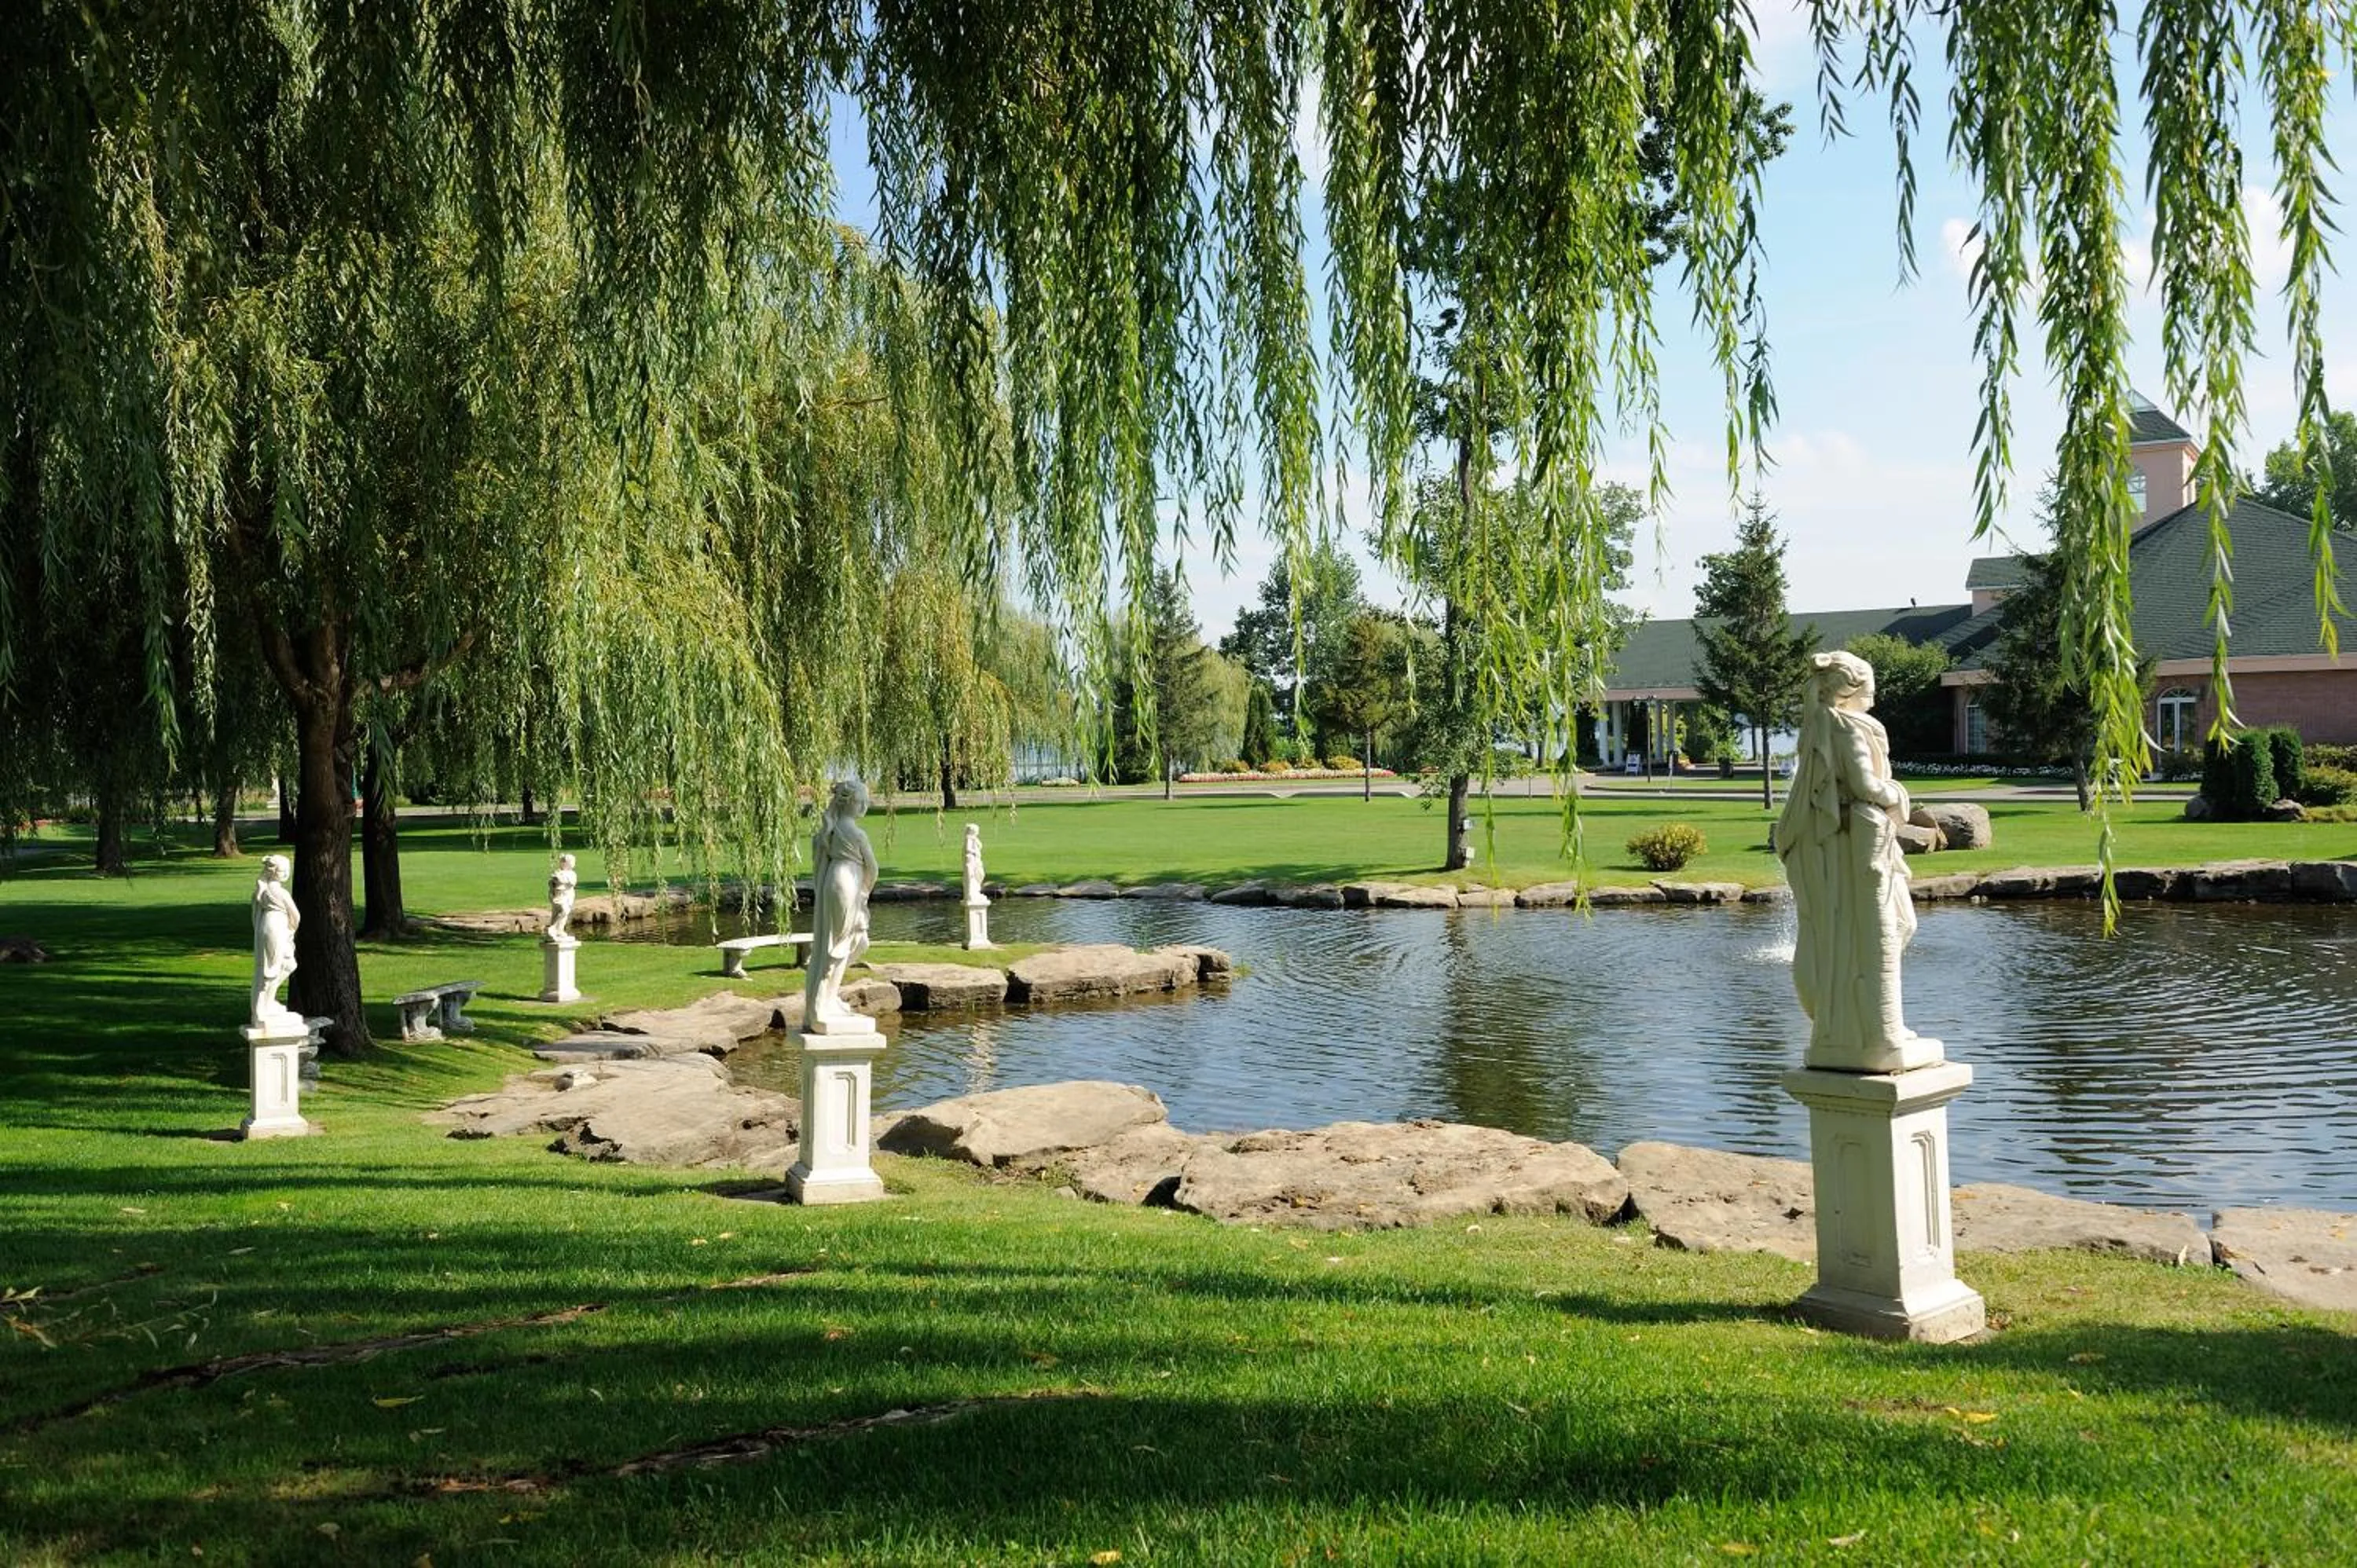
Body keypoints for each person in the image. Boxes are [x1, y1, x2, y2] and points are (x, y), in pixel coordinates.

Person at [1772, 650, 1923, 1068]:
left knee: (1845, 929)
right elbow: (1864, 784)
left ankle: (1852, 1021)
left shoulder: (1823, 724)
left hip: (1839, 841)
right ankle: (1868, 1025)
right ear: (1852, 688)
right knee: (1887, 925)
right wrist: (1900, 796)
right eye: (1871, 685)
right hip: (1852, 843)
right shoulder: (1847, 727)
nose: (1875, 694)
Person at [802, 779, 878, 1030]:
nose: (865, 806)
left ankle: (827, 999)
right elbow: (873, 869)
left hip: (835, 881)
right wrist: (865, 892)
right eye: (861, 801)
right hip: (848, 883)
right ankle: (825, 1002)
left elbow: (818, 851)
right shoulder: (857, 833)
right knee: (841, 943)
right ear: (851, 804)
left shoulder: (832, 830)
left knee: (837, 941)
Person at [249, 854, 301, 1028]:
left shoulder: (262, 889)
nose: (287, 873)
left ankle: (265, 1003)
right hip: (277, 927)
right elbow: (296, 916)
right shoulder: (280, 892)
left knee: (282, 965)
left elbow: (255, 911)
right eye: (285, 870)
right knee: (272, 969)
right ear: (278, 873)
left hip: (267, 926)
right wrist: (290, 930)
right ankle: (264, 1007)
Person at [547, 853, 578, 940]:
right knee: (561, 911)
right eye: (571, 862)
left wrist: (561, 880)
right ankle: (553, 928)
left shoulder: (572, 874)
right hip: (559, 895)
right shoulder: (558, 872)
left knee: (565, 912)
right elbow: (551, 883)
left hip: (567, 896)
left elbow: (572, 882)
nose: (573, 864)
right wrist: (555, 881)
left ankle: (559, 930)